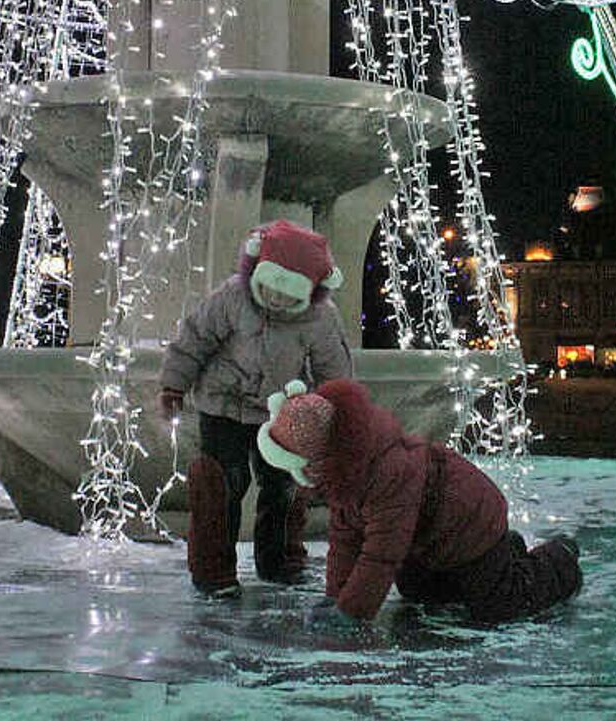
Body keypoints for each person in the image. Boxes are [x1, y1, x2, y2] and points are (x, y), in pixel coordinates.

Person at [258, 378, 582, 628]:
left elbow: (380, 556)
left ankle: (558, 559)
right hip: (434, 541)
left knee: (498, 607)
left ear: (317, 462)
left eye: (294, 468)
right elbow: (345, 538)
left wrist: (350, 612)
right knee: (416, 590)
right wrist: (336, 596)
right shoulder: (350, 471)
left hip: (472, 528)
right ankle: (505, 556)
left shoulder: (387, 474)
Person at [158, 219, 352, 597]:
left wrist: (335, 412)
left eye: (289, 295)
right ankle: (213, 572)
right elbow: (196, 337)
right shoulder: (232, 296)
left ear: (311, 292)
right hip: (223, 407)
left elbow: (334, 369)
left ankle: (280, 562)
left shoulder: (321, 318)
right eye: (269, 289)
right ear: (254, 274)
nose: (277, 302)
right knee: (220, 485)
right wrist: (174, 383)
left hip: (281, 413)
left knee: (285, 486)